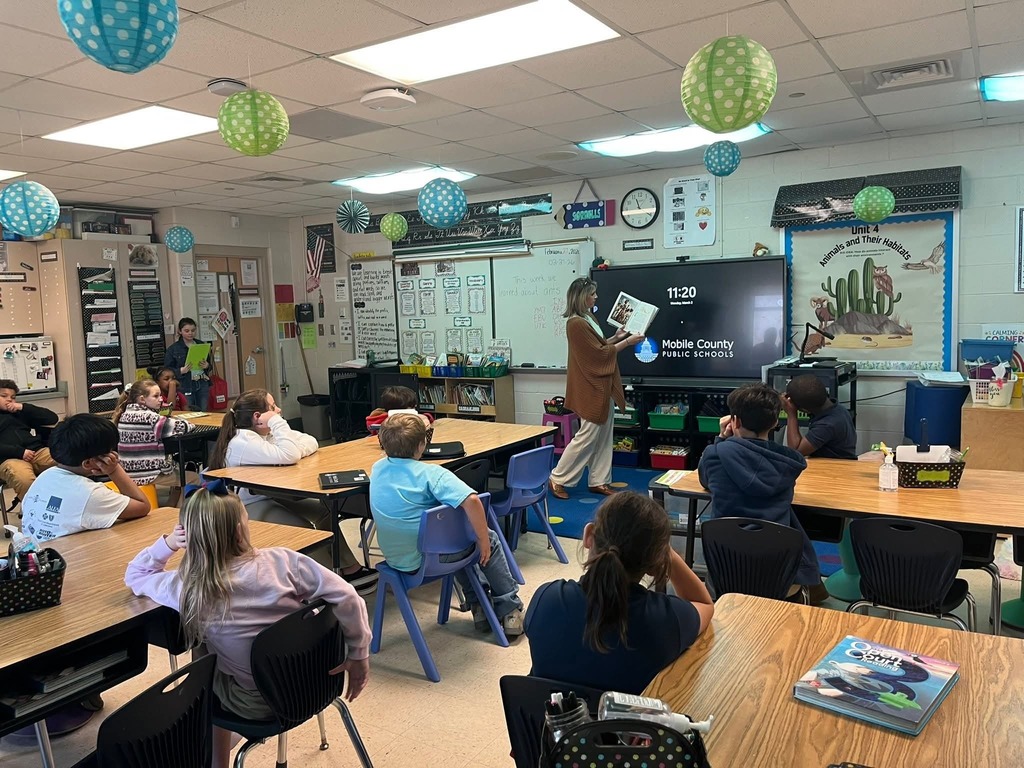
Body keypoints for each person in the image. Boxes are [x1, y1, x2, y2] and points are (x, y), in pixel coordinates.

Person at [124, 482, 372, 768]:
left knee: (202, 660)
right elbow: (347, 595)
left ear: (189, 537)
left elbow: (136, 574)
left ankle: (215, 757)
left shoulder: (187, 588)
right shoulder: (284, 561)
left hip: (257, 704)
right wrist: (359, 654)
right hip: (317, 681)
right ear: (241, 529)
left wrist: (168, 544)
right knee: (210, 646)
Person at [525, 492, 714, 694]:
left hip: (551, 715)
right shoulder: (666, 619)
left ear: (589, 536)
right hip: (630, 716)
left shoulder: (546, 600)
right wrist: (666, 552)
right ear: (656, 562)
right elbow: (704, 604)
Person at [207, 389, 377, 594]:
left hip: (272, 494)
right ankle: (326, 583)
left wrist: (292, 452)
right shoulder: (243, 442)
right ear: (258, 417)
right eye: (273, 407)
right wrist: (278, 425)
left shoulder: (264, 434)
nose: (279, 410)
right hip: (247, 505)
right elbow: (290, 453)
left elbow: (310, 440)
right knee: (304, 529)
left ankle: (349, 568)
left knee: (325, 512)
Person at [370, 413, 526, 636]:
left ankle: (479, 606)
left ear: (383, 443)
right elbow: (472, 501)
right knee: (485, 537)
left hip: (398, 559)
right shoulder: (430, 474)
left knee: (453, 541)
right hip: (429, 561)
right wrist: (482, 538)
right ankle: (510, 609)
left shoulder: (377, 468)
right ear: (422, 444)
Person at [697, 383, 826, 602]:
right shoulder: (788, 462)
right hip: (779, 579)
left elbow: (705, 479)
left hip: (727, 574)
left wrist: (721, 437)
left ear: (735, 421)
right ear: (775, 422)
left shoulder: (716, 454)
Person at [548, 278, 643, 500]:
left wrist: (616, 337)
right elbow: (598, 355)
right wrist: (627, 343)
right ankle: (557, 477)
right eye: (592, 294)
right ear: (582, 297)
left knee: (603, 436)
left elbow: (598, 346)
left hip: (601, 384)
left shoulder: (588, 318)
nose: (596, 297)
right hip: (591, 386)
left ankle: (599, 480)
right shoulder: (576, 323)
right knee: (587, 436)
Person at [21, 414, 157, 543]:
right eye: (110, 452)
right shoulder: (90, 494)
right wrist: (114, 470)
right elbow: (143, 506)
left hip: (36, 553)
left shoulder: (45, 476)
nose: (114, 455)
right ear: (87, 463)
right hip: (69, 557)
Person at [112, 379, 194, 486]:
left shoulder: (123, 415)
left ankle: (174, 497)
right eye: (156, 396)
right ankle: (181, 498)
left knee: (177, 468)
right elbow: (182, 427)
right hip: (148, 475)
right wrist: (188, 423)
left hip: (128, 473)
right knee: (194, 478)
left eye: (160, 395)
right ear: (142, 399)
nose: (161, 399)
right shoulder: (150, 418)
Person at [0, 378, 58, 500]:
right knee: (25, 480)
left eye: (13, 397)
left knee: (71, 459)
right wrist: (19, 452)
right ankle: (34, 508)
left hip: (36, 452)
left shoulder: (18, 413)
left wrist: (22, 407)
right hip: (9, 458)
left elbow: (52, 418)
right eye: (4, 396)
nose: (9, 399)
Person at [782, 374, 858, 459]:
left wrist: (791, 414)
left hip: (836, 465)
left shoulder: (827, 424)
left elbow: (795, 451)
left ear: (805, 410)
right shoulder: (836, 408)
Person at [163, 317, 214, 411]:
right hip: (185, 384)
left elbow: (209, 365)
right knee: (188, 410)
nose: (190, 333)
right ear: (180, 331)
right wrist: (180, 371)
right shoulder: (173, 349)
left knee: (203, 410)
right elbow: (166, 370)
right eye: (187, 331)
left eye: (193, 330)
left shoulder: (201, 344)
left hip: (202, 381)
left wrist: (207, 366)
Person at [365, 385, 434, 433]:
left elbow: (428, 418)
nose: (414, 409)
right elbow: (372, 426)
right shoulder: (383, 419)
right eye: (411, 407)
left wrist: (425, 417)